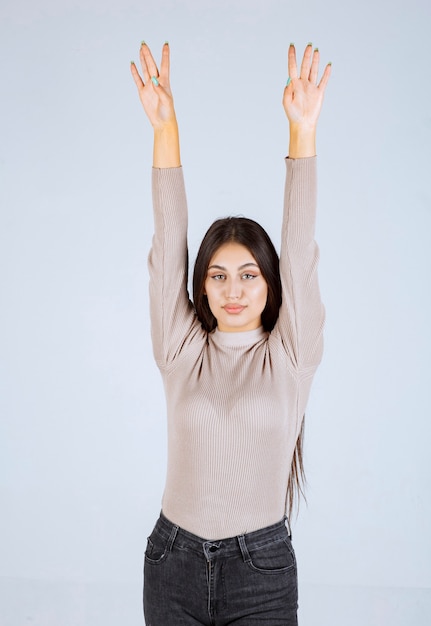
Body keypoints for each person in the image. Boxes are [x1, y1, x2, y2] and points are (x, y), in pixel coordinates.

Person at [130, 41, 331, 626]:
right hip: (172, 561)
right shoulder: (181, 349)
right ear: (203, 286)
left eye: (248, 274)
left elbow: (299, 252)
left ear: (271, 285)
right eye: (217, 275)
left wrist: (303, 132)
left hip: (261, 571)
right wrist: (165, 129)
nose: (233, 289)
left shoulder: (291, 354)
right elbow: (168, 246)